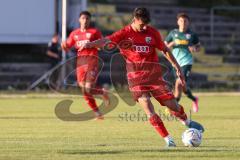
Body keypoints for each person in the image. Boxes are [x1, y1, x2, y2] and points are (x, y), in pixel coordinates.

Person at [80, 7, 204, 147]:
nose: (144, 27)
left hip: (154, 76)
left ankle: (186, 122)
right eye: (141, 24)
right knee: (147, 106)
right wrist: (90, 44)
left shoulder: (152, 32)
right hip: (136, 79)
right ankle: (168, 139)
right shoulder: (124, 33)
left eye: (146, 24)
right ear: (134, 19)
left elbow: (165, 49)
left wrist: (177, 67)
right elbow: (105, 41)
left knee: (173, 105)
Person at [61, 11, 109, 120]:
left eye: (87, 18)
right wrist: (63, 45)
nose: (85, 20)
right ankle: (98, 110)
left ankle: (100, 99)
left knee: (88, 88)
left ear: (90, 20)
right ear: (79, 20)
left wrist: (97, 45)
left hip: (92, 61)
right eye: (83, 18)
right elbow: (68, 45)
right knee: (84, 90)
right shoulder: (74, 34)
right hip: (80, 64)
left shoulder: (94, 32)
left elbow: (102, 44)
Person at [164, 13, 201, 112]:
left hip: (186, 62)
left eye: (185, 21)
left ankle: (174, 107)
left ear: (188, 22)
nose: (183, 23)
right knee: (182, 88)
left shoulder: (192, 35)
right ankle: (194, 99)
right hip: (175, 63)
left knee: (179, 83)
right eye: (181, 21)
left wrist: (194, 48)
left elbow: (198, 47)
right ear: (177, 22)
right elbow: (164, 46)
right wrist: (172, 43)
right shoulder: (173, 33)